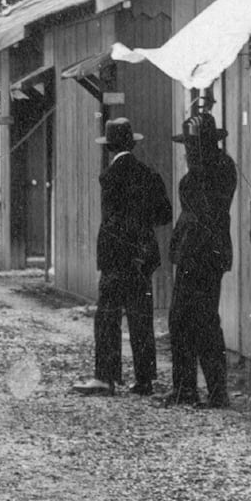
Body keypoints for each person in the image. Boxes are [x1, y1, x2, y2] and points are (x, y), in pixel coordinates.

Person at [73, 119, 173, 397]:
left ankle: (106, 377)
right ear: (132, 143)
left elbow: (112, 222)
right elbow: (164, 215)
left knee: (108, 317)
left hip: (117, 258)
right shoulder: (150, 175)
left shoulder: (110, 176)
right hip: (142, 257)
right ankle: (144, 380)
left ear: (109, 148)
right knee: (141, 318)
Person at [163, 111, 238, 409]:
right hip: (192, 251)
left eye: (192, 146)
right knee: (181, 319)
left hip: (206, 252)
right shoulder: (207, 167)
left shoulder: (217, 169)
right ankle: (185, 388)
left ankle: (216, 392)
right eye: (188, 148)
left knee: (204, 320)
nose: (188, 153)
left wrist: (199, 158)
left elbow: (207, 200)